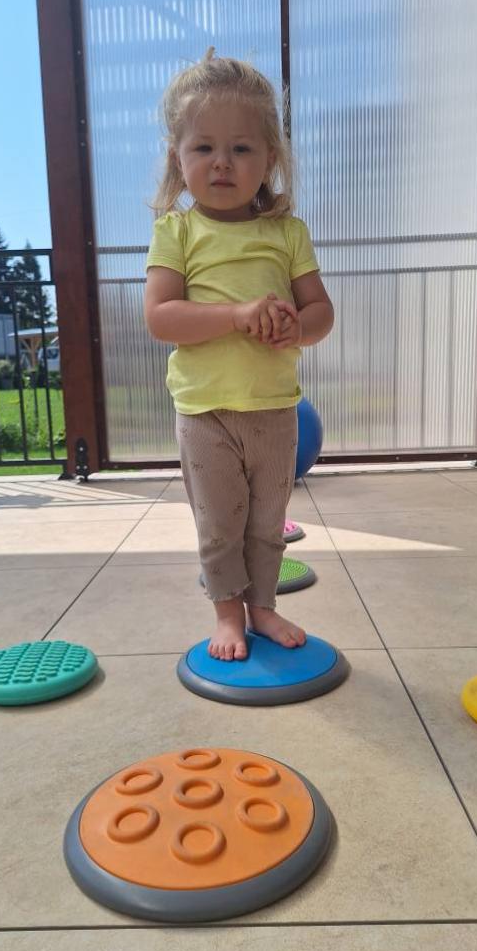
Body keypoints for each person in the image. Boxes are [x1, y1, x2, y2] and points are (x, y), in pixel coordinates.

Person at [144, 48, 333, 662]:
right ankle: (228, 613)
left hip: (274, 408)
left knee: (267, 521)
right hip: (206, 412)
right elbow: (161, 317)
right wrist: (235, 314)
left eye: (241, 148)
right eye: (204, 147)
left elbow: (320, 313)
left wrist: (294, 329)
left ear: (270, 159)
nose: (221, 162)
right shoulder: (177, 232)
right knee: (220, 521)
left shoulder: (286, 233)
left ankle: (264, 608)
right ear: (178, 158)